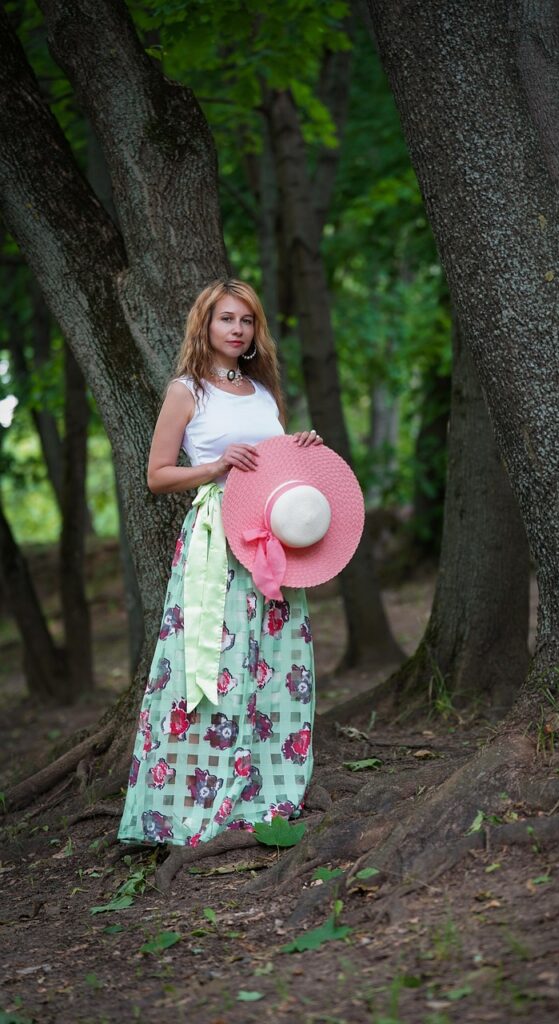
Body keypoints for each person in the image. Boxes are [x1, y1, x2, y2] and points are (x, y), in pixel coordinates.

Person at [117, 279, 322, 847]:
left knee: (272, 661)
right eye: (227, 319)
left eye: (247, 320)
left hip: (271, 540)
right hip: (218, 543)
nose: (237, 329)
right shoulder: (186, 391)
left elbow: (274, 467)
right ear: (205, 325)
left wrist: (301, 450)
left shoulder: (263, 392)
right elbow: (157, 475)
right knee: (214, 660)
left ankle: (265, 794)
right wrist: (214, 466)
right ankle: (191, 801)